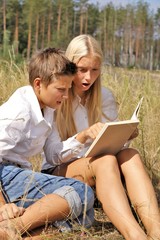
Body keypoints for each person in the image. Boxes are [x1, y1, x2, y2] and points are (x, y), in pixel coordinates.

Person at [41, 35, 160, 240]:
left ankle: (157, 231)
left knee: (130, 153)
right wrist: (83, 136)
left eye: (94, 70)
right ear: (70, 67)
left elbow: (112, 145)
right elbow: (52, 156)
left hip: (101, 167)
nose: (88, 77)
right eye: (82, 70)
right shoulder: (57, 97)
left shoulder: (104, 97)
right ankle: (136, 236)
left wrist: (125, 135)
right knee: (105, 162)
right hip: (59, 171)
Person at [0, 47, 95, 239]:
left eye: (68, 89)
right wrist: (2, 207)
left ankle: (20, 229)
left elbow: (53, 155)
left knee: (86, 214)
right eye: (61, 89)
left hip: (18, 176)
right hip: (4, 176)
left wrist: (83, 136)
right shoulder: (19, 111)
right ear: (38, 84)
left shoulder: (48, 109)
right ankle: (12, 227)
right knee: (81, 192)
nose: (66, 96)